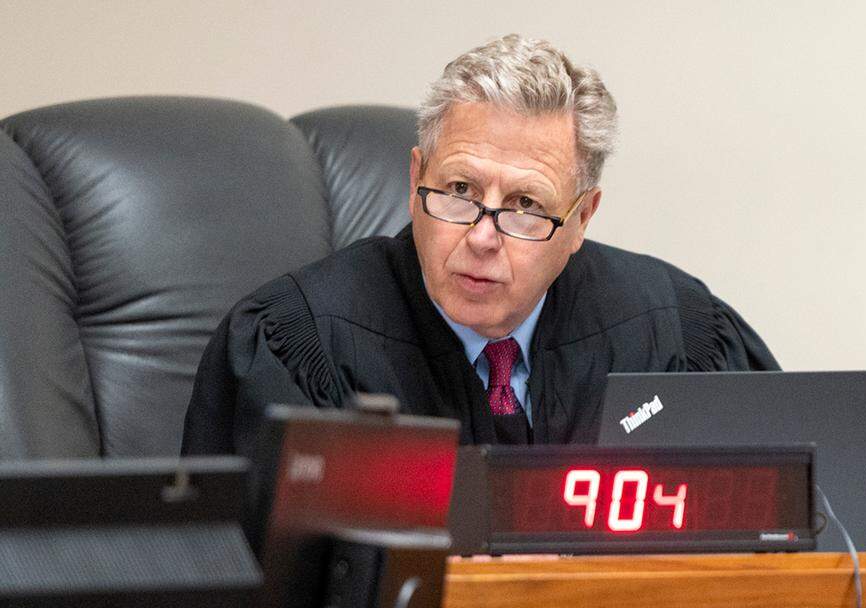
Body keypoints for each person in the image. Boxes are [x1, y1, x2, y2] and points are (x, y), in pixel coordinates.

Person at [182, 33, 778, 459]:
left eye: (525, 205)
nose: (482, 237)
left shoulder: (673, 332)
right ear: (416, 180)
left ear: (580, 220)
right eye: (460, 189)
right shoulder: (298, 345)